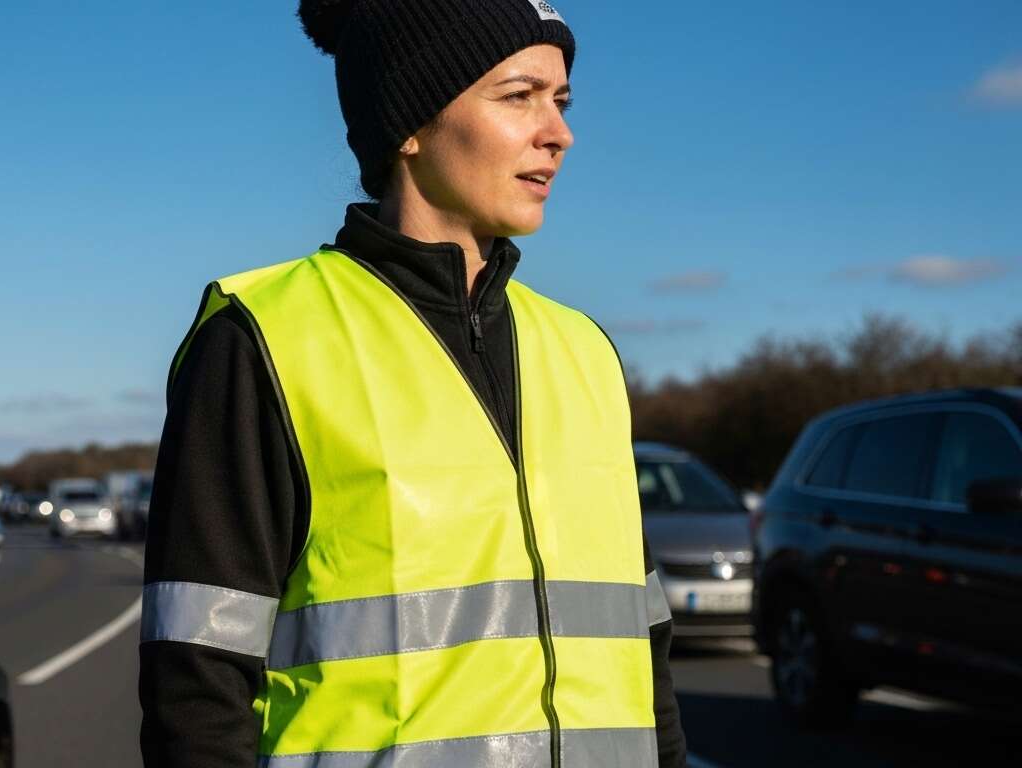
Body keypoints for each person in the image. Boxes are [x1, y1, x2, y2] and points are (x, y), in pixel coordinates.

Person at [140, 1, 686, 766]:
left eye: (560, 101)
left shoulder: (584, 350)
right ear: (411, 124)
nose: (558, 133)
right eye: (518, 95)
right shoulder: (263, 338)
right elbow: (196, 688)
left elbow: (646, 647)